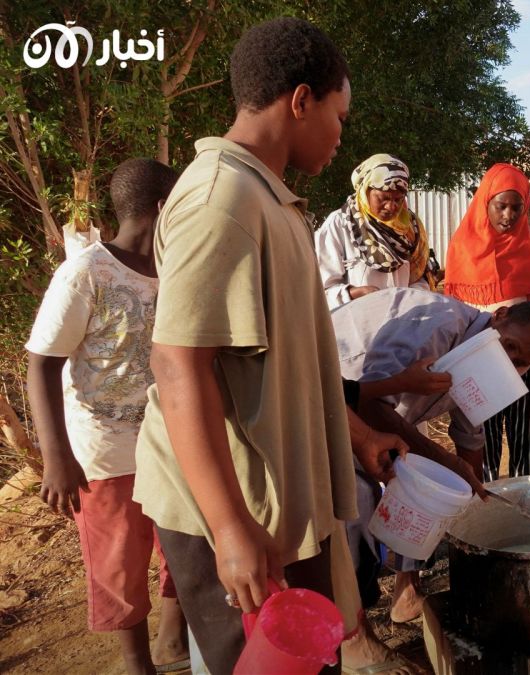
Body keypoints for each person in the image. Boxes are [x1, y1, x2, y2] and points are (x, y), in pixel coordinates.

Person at [130, 18, 382, 675]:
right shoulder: (220, 201)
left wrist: (357, 437)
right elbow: (177, 364)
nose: (339, 133)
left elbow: (293, 366)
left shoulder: (274, 202)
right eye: (339, 115)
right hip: (241, 509)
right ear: (301, 100)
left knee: (310, 660)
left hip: (278, 501)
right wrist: (232, 528)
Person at [26, 158, 188, 675]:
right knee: (118, 564)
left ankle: (172, 641)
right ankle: (137, 663)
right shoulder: (85, 273)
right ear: (164, 208)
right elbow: (42, 363)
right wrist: (56, 457)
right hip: (104, 453)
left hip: (170, 442)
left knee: (180, 544)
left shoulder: (177, 271)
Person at [332, 287, 530, 623]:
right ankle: (349, 625)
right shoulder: (438, 329)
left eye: (520, 362)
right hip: (335, 401)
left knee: (435, 486)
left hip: (389, 415)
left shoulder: (491, 365)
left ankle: (406, 589)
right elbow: (366, 402)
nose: (508, 361)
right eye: (509, 345)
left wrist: (471, 500)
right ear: (499, 317)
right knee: (358, 498)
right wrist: (446, 461)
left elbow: (470, 435)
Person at [443, 163, 530, 481]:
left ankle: (524, 492)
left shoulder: (527, 248)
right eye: (501, 206)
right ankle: (489, 499)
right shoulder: (461, 248)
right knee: (483, 436)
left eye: (517, 208)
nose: (509, 215)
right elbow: (455, 310)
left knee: (522, 435)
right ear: (484, 202)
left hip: (521, 363)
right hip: (478, 362)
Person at [315, 153, 436, 309]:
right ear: (365, 191)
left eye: (398, 199)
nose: (391, 206)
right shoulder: (340, 224)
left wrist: (409, 298)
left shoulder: (410, 228)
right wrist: (355, 293)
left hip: (404, 325)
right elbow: (321, 291)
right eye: (383, 198)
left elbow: (419, 279)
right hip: (356, 324)